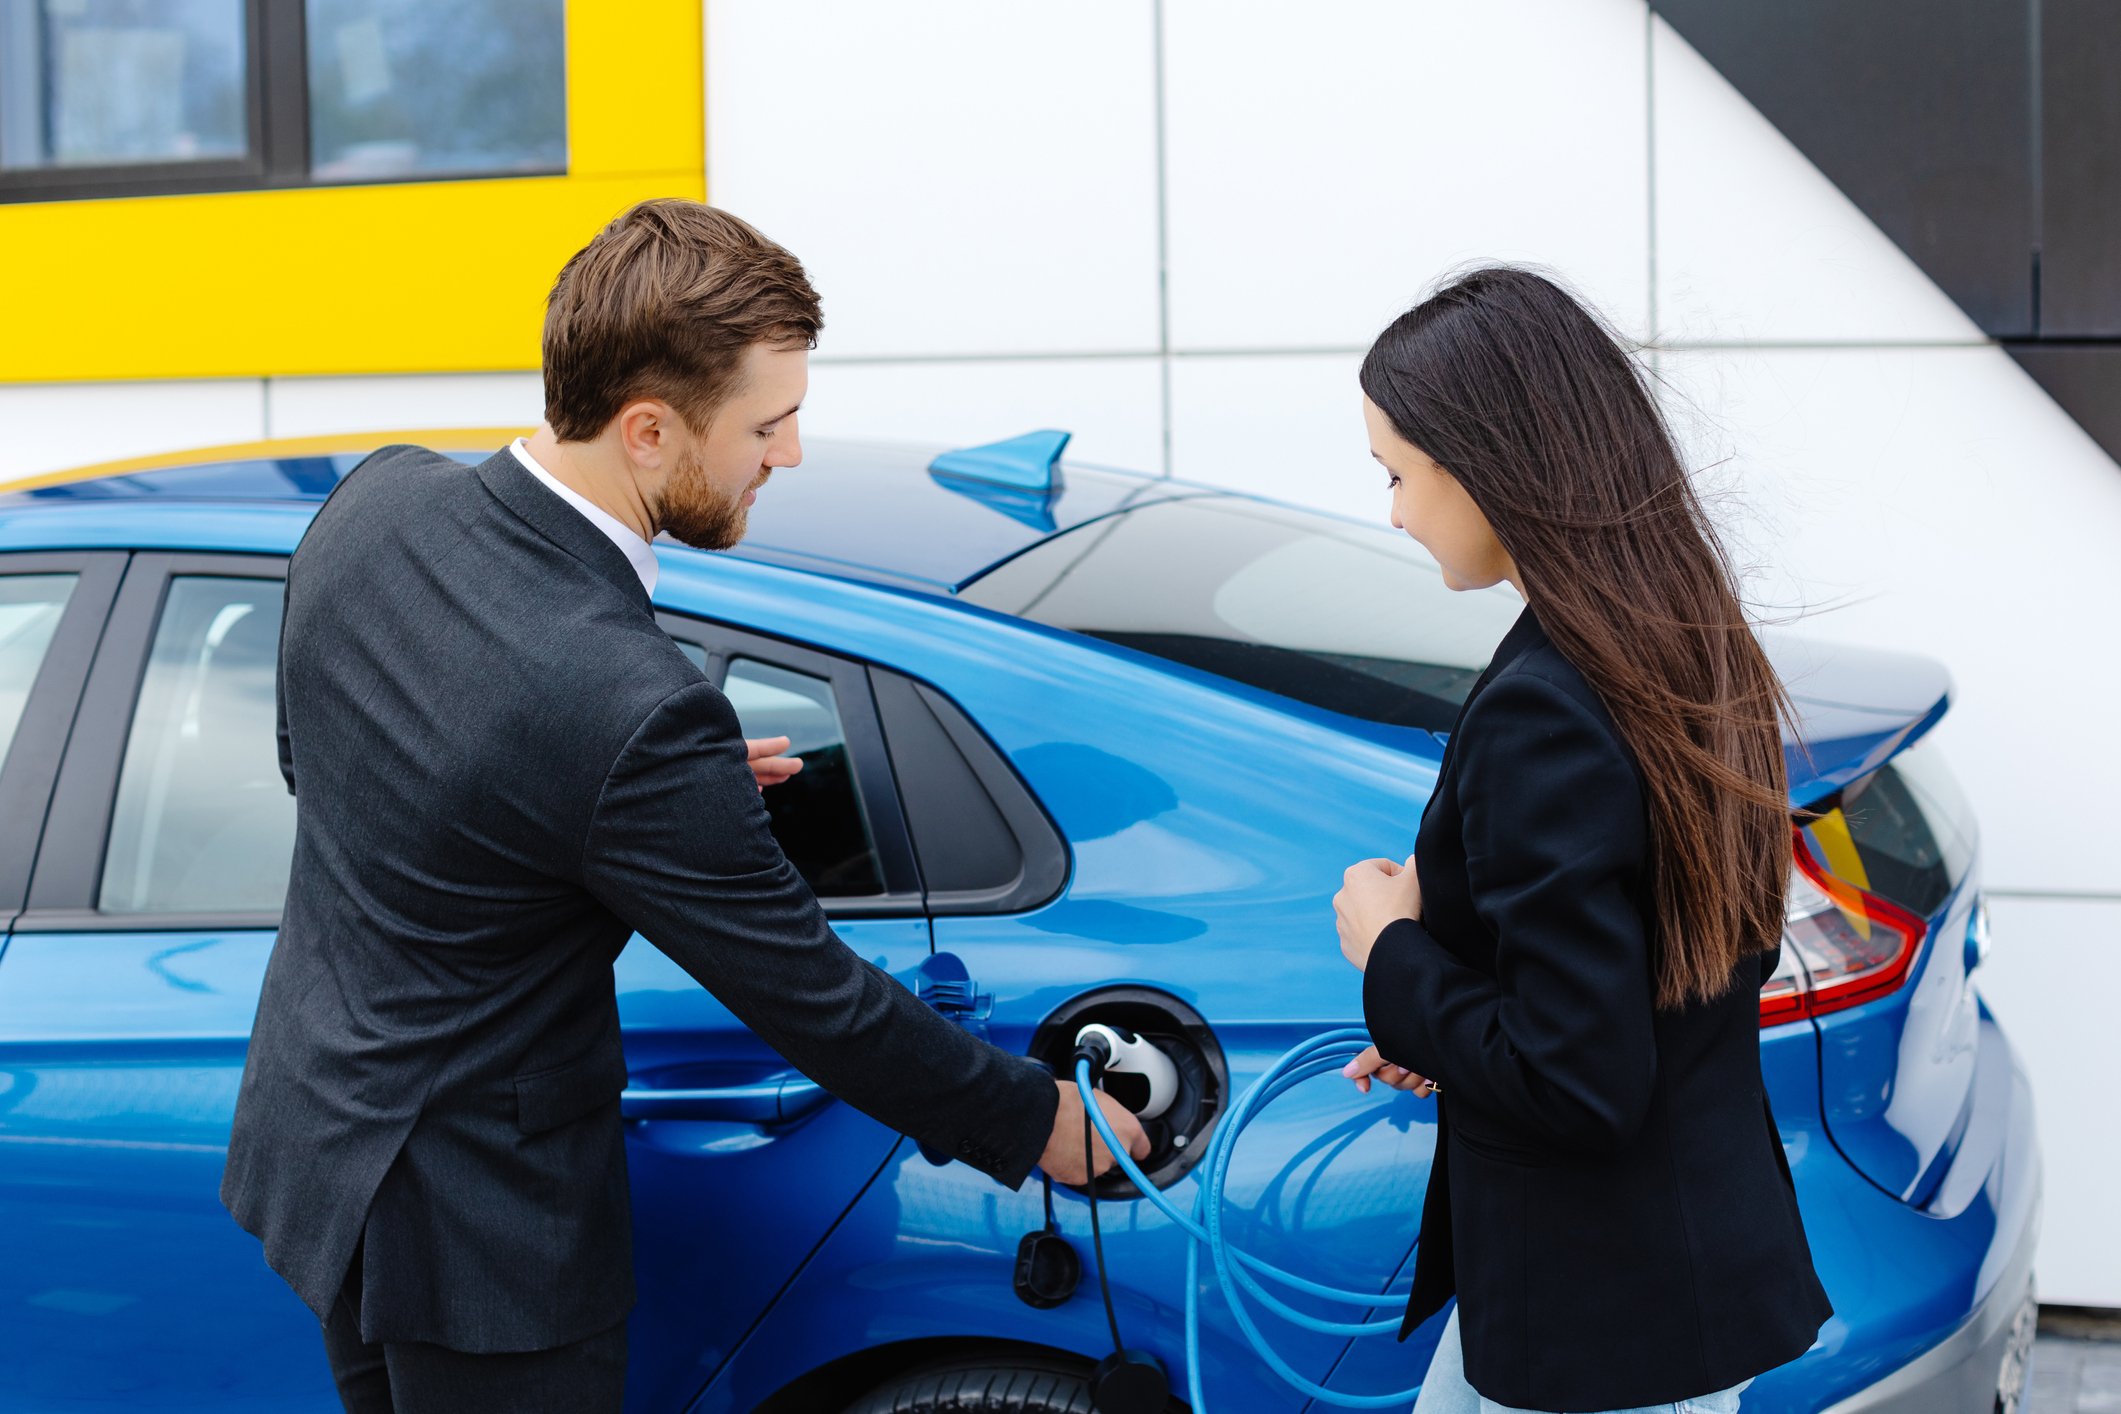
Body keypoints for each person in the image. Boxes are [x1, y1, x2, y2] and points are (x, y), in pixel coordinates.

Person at [220, 198, 1149, 1414]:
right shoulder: (631, 708)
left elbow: (325, 760)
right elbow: (810, 995)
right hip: (486, 1244)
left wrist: (617, 810)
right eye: (770, 423)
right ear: (649, 428)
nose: (792, 453)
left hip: (322, 1156)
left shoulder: (376, 504)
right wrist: (1036, 1125)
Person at [1331, 267, 1832, 1414]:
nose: (1395, 512)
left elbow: (1579, 1079)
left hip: (1594, 1324)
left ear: (1488, 469)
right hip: (1670, 1290)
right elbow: (1643, 979)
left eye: (1397, 474)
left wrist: (1390, 955)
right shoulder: (1683, 635)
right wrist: (1445, 1017)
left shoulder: (1546, 705)